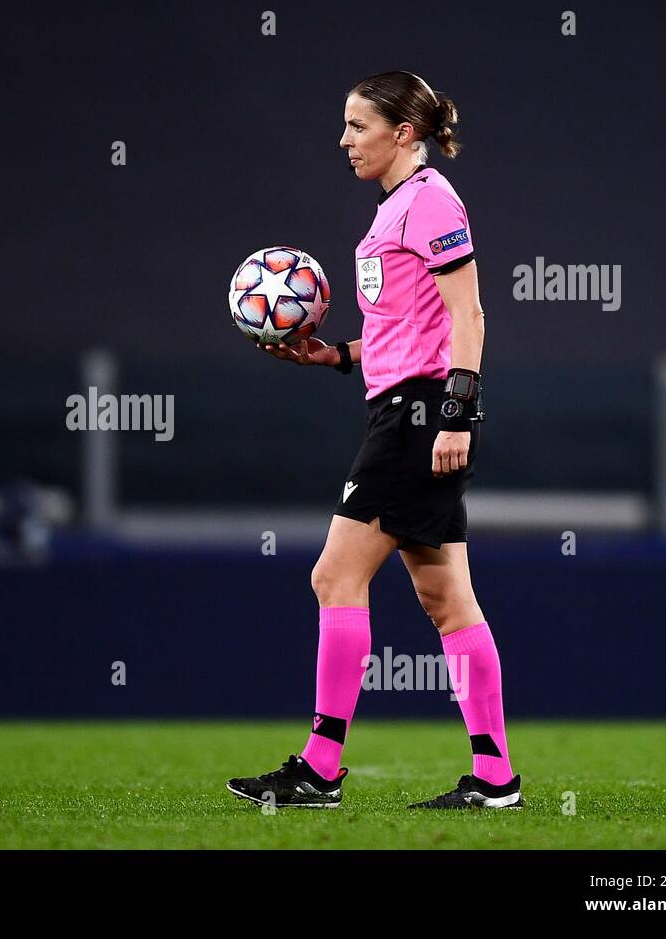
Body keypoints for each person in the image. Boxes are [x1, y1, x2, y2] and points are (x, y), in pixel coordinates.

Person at [226, 71, 522, 810]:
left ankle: (320, 768)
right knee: (449, 600)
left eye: (359, 126)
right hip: (404, 406)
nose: (345, 139)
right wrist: (337, 356)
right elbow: (406, 330)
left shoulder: (430, 202)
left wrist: (457, 413)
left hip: (419, 419)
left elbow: (469, 317)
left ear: (404, 133)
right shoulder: (395, 213)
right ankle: (495, 780)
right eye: (346, 125)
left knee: (335, 577)